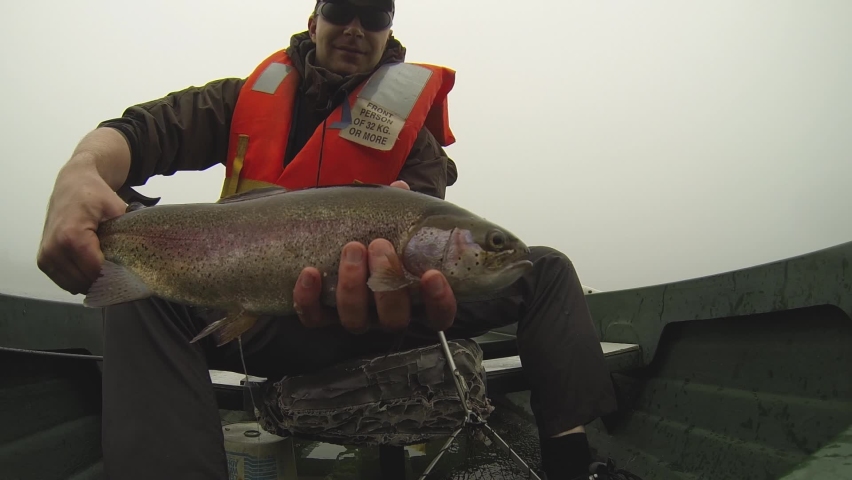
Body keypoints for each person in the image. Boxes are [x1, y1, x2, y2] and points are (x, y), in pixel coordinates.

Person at [36, 1, 639, 479]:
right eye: (341, 9)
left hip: (385, 322)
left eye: (374, 14)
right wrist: (82, 170)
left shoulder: (415, 138)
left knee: (548, 267)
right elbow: (138, 134)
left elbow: (435, 267)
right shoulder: (236, 100)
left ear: (389, 29)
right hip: (264, 319)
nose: (355, 26)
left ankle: (569, 459)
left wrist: (413, 283)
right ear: (314, 19)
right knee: (143, 298)